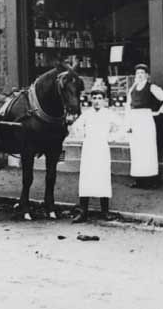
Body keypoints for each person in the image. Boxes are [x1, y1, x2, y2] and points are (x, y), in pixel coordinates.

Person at [72, 80, 116, 223]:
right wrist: (82, 134)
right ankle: (83, 211)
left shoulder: (109, 114)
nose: (97, 101)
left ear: (104, 100)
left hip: (102, 148)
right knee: (86, 178)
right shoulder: (87, 114)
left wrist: (111, 137)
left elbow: (122, 127)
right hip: (89, 148)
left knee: (103, 177)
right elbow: (76, 126)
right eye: (95, 98)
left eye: (99, 98)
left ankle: (105, 211)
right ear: (91, 100)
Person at [126, 64, 163, 188]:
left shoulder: (152, 87)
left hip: (146, 119)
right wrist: (128, 124)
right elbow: (128, 107)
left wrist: (159, 111)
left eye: (142, 73)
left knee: (148, 149)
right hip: (135, 120)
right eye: (137, 73)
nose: (140, 75)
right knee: (137, 150)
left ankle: (151, 180)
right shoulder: (132, 89)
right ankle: (139, 179)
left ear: (147, 75)